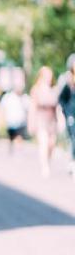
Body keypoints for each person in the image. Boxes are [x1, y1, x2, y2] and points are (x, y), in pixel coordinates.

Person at [28, 66, 58, 178]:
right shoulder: (36, 89)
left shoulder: (54, 89)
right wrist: (31, 122)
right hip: (41, 118)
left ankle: (48, 161)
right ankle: (45, 166)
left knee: (51, 144)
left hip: (52, 119)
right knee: (44, 143)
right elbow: (32, 107)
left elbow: (57, 107)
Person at [58, 53, 75, 181]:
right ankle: (72, 161)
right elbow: (61, 99)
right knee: (73, 138)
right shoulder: (67, 80)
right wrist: (66, 112)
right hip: (71, 115)